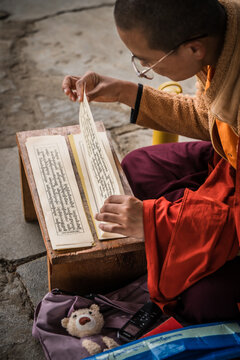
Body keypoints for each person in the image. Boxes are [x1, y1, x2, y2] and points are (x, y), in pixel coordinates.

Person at [62, 0, 240, 324]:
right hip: (229, 164)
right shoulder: (225, 35)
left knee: (202, 302)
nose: (145, 68)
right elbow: (210, 116)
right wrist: (126, 92)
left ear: (193, 49)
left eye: (146, 62)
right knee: (138, 167)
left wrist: (154, 221)